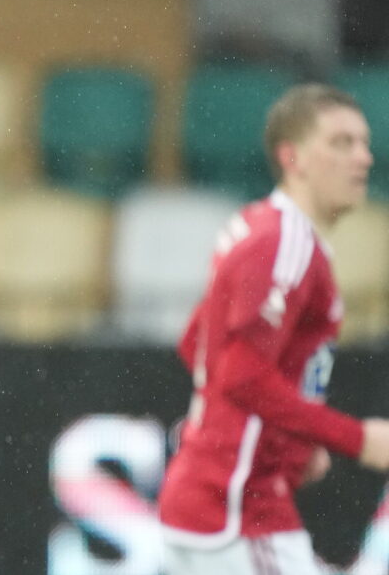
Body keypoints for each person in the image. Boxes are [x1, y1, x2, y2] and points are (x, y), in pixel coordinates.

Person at [159, 83, 389, 574]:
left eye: (364, 143)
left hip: (206, 494)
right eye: (341, 143)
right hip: (238, 505)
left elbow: (196, 342)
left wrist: (291, 442)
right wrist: (356, 438)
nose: (363, 158)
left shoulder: (260, 226)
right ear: (292, 157)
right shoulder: (285, 243)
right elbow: (241, 374)